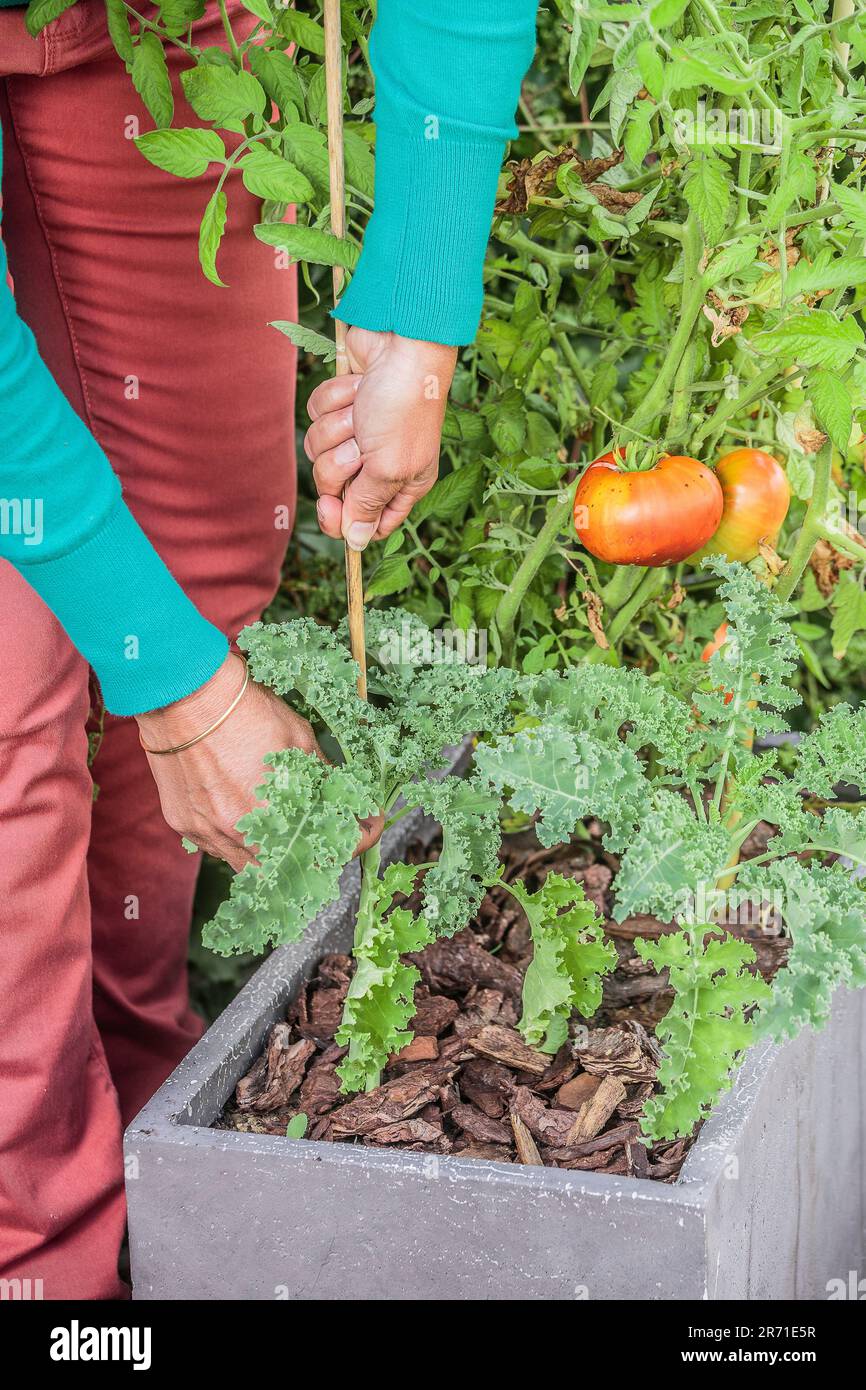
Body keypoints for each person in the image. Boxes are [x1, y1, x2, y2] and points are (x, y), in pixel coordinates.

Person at [0, 0, 539, 1297]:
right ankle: (47, 1271)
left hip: (133, 27)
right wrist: (167, 676)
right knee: (13, 714)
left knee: (204, 554)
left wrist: (417, 296)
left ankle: (149, 1143)